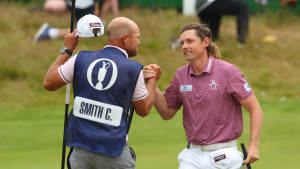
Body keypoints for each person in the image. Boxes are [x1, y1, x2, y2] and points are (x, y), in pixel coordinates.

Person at [43, 16, 158, 169]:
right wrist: (153, 81)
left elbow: (49, 82)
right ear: (125, 38)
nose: (139, 42)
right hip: (114, 153)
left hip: (80, 151)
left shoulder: (80, 58)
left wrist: (68, 50)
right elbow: (144, 110)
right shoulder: (133, 69)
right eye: (137, 37)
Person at [143, 23, 263, 169]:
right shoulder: (181, 75)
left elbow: (255, 109)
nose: (184, 46)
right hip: (191, 155)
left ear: (205, 42)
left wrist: (253, 145)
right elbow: (166, 113)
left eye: (190, 41)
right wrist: (153, 85)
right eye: (182, 43)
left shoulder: (228, 71)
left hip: (224, 154)